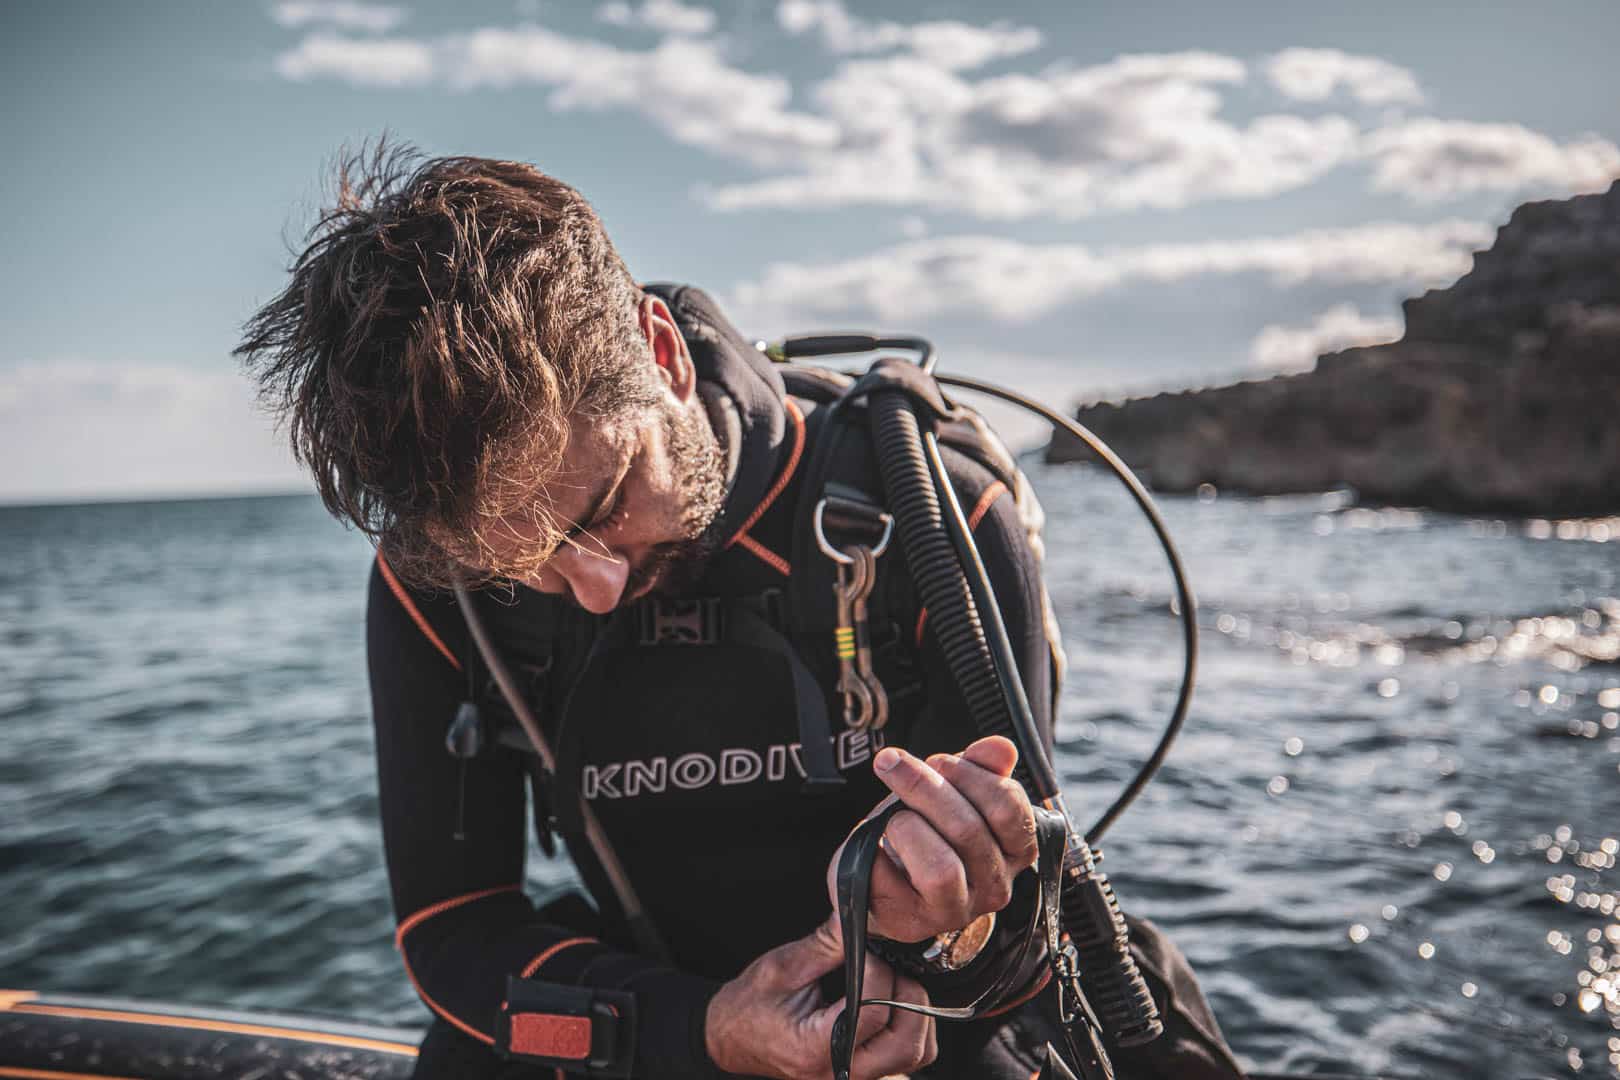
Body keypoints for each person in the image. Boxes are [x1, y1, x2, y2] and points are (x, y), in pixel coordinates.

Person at [236, 146, 1244, 1079]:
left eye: (606, 505)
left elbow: (1030, 920)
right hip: (666, 1007)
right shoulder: (438, 574)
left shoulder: (931, 510)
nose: (594, 589)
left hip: (928, 1026)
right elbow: (453, 928)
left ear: (662, 355)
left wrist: (953, 924)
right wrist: (702, 1028)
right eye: (523, 565)